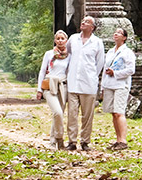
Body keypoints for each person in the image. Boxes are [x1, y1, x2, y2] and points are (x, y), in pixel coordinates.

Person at [63, 15, 105, 151]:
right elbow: (67, 55)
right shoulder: (73, 39)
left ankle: (85, 141)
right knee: (72, 114)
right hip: (73, 81)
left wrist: (92, 75)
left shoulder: (97, 42)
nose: (83, 23)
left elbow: (100, 62)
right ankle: (72, 141)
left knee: (87, 115)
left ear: (92, 27)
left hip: (89, 83)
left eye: (87, 22)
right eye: (83, 21)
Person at [101, 26, 136, 151]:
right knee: (113, 113)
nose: (116, 34)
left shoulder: (127, 52)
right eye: (115, 32)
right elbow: (105, 70)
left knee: (119, 112)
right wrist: (102, 87)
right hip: (109, 84)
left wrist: (115, 73)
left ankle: (123, 140)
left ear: (124, 38)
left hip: (121, 84)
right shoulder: (110, 52)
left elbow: (131, 70)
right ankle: (118, 139)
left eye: (119, 33)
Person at [35, 30, 71, 149]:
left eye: (62, 38)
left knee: (59, 115)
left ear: (66, 41)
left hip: (62, 86)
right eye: (58, 38)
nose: (60, 41)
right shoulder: (49, 54)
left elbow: (70, 71)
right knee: (57, 112)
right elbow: (42, 71)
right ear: (55, 40)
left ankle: (54, 141)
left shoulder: (69, 55)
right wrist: (39, 89)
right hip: (50, 85)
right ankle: (58, 139)